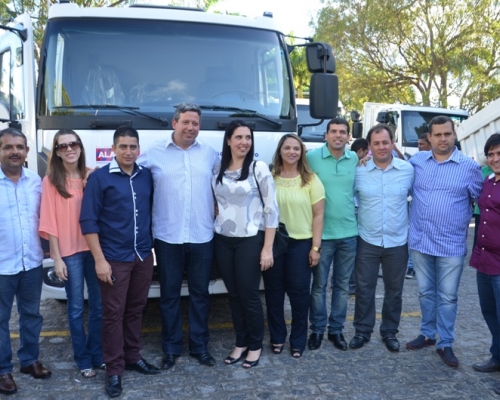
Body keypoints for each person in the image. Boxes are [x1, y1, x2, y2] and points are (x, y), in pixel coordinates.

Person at [138, 103, 219, 370]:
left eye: (195, 123)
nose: (190, 128)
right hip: (167, 236)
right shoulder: (154, 152)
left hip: (202, 235)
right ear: (174, 123)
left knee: (200, 295)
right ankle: (171, 349)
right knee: (169, 296)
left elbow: (228, 180)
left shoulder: (210, 153)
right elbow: (128, 170)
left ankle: (200, 347)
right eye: (185, 122)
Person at [80, 126, 159, 398]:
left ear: (139, 149)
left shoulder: (146, 175)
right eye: (123, 146)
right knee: (113, 314)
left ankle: (133, 356)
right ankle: (114, 369)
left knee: (136, 309)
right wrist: (99, 261)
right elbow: (88, 221)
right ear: (113, 149)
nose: (128, 151)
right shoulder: (99, 178)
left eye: (133, 146)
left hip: (142, 256)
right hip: (113, 259)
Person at [405, 116, 482, 368]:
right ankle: (428, 334)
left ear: (454, 135)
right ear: (429, 137)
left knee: (448, 297)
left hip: (451, 245)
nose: (442, 139)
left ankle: (445, 342)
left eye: (447, 134)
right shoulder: (417, 162)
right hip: (421, 241)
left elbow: (484, 200)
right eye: (437, 135)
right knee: (426, 293)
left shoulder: (469, 167)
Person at [212, 120, 279, 368]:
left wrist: (267, 248)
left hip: (250, 240)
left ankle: (255, 345)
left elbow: (272, 210)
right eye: (239, 137)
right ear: (228, 140)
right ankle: (240, 342)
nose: (244, 142)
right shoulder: (218, 167)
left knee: (249, 295)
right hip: (222, 239)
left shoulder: (257, 167)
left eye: (248, 137)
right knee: (233, 295)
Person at [39, 130, 103, 378]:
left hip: (94, 249)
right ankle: (83, 359)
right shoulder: (51, 181)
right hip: (69, 253)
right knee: (75, 307)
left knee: (98, 305)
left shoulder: (92, 175)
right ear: (56, 152)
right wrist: (57, 258)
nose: (69, 149)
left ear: (80, 147)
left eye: (73, 144)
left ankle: (97, 354)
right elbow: (49, 222)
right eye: (62, 146)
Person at [349, 124, 414, 352]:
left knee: (394, 291)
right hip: (367, 240)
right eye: (376, 143)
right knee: (364, 289)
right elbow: (349, 199)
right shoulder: (359, 170)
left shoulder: (408, 170)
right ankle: (362, 331)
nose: (381, 147)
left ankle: (389, 332)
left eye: (385, 142)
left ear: (392, 143)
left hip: (397, 241)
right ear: (369, 146)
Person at [263, 134, 325, 358]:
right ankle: (277, 336)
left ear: (302, 153)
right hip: (274, 243)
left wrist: (315, 248)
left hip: (301, 244)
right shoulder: (269, 178)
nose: (292, 152)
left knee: (299, 295)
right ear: (280, 151)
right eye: (287, 148)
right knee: (274, 294)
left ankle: (298, 340)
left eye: (296, 149)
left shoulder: (311, 180)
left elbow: (318, 215)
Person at [0, 128, 52, 396]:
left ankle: (29, 360)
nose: (15, 152)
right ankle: (2, 369)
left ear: (27, 152)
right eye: (8, 147)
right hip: (1, 265)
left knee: (32, 315)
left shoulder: (35, 181)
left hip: (31, 262)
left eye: (19, 147)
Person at [306, 117, 359, 351]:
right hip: (322, 236)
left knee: (342, 286)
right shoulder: (311, 158)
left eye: (343, 132)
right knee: (318, 286)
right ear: (325, 135)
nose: (338, 135)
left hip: (349, 234)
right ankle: (317, 330)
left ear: (348, 137)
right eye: (334, 131)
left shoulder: (354, 159)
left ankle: (336, 330)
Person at [469, 133, 500, 395]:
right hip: (485, 258)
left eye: (499, 154)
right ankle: (497, 357)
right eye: (491, 154)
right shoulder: (488, 180)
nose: (495, 159)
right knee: (490, 312)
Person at [406, 133, 432, 280]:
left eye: (422, 144)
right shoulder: (416, 159)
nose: (419, 147)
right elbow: (403, 166)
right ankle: (411, 266)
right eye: (418, 144)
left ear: (430, 143)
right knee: (414, 234)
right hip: (417, 207)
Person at [349, 138, 369, 294]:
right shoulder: (356, 165)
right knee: (354, 251)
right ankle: (352, 284)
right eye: (367, 152)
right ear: (361, 151)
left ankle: (350, 283)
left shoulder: (352, 163)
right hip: (355, 210)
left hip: (352, 210)